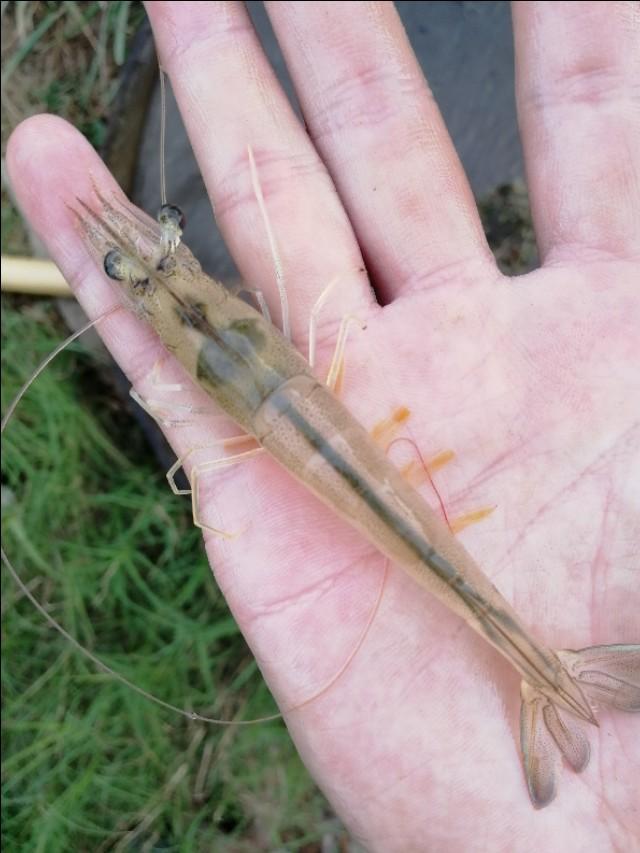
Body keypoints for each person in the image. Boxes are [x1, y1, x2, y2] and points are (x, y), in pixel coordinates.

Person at [8, 2, 638, 849]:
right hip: (304, 410)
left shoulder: (189, 329)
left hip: (294, 425)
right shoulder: (241, 312)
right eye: (138, 271)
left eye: (155, 254)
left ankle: (542, 668)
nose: (154, 269)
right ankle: (542, 667)